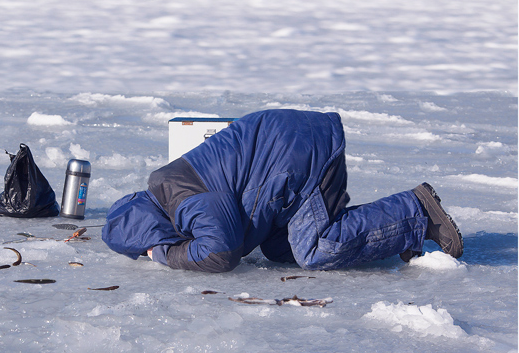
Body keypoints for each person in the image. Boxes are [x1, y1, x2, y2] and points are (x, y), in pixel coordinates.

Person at [102, 109, 463, 273]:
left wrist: (164, 254)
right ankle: (395, 229)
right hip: (292, 151)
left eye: (145, 245)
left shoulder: (182, 199)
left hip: (299, 156)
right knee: (279, 248)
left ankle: (416, 211)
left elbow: (222, 252)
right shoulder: (169, 189)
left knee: (315, 250)